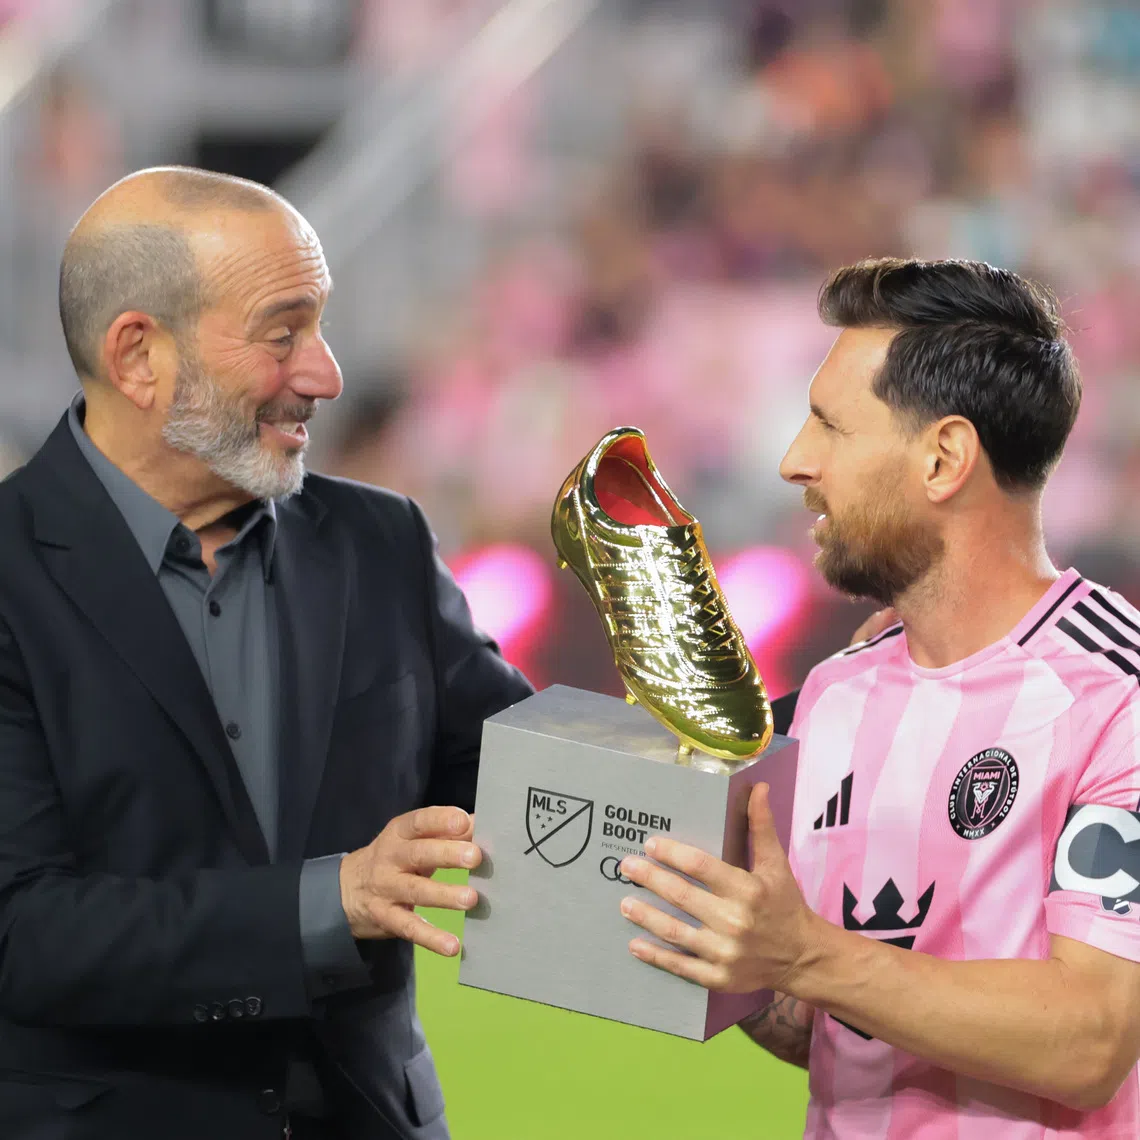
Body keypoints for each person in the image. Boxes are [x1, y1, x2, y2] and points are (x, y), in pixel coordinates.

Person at [0, 166, 532, 1140]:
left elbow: (529, 780)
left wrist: (822, 714)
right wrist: (329, 900)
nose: (326, 373)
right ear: (138, 356)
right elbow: (25, 933)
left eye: (319, 327)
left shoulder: (381, 543)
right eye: (283, 333)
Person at [618, 257, 1140, 1136]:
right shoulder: (837, 692)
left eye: (830, 425)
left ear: (943, 458)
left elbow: (1091, 1040)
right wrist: (734, 957)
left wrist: (808, 954)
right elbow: (834, 1028)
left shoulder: (1115, 696)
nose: (796, 461)